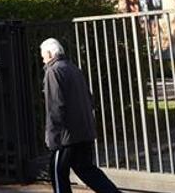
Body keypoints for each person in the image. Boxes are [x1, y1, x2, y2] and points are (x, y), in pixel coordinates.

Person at [41, 38, 120, 193]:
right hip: (84, 131)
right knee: (86, 170)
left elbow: (55, 106)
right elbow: (89, 99)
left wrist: (53, 137)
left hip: (66, 136)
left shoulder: (53, 71)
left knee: (58, 172)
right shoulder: (73, 68)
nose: (43, 59)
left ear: (50, 53)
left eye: (43, 55)